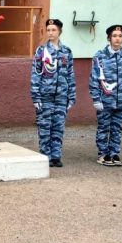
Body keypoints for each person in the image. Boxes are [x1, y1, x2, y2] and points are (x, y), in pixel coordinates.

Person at [89, 24, 122, 167]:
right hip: (105, 100)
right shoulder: (100, 56)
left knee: (117, 128)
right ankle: (103, 154)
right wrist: (96, 99)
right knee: (104, 127)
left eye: (120, 36)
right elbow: (94, 79)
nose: (117, 39)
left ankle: (114, 153)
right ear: (109, 38)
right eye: (114, 36)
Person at [30, 19, 76, 167]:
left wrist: (71, 96)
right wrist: (36, 96)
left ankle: (56, 156)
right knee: (45, 127)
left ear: (59, 31)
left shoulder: (67, 51)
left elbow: (70, 75)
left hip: (61, 96)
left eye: (53, 30)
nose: (50, 33)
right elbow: (36, 74)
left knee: (58, 127)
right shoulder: (41, 51)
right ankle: (45, 155)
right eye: (48, 30)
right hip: (45, 96)